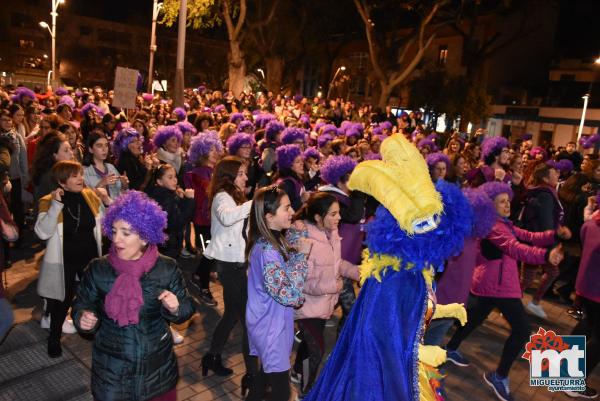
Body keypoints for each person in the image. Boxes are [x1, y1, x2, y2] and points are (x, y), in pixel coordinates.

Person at [445, 181, 568, 401]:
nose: (507, 205)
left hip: (495, 284)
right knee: (522, 330)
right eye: (501, 202)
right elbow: (515, 247)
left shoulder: (503, 223)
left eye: (507, 201)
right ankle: (499, 376)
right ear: (490, 206)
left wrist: (554, 235)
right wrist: (545, 256)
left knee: (474, 319)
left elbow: (528, 236)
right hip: (497, 285)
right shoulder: (493, 227)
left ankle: (450, 348)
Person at [71, 190, 194, 401]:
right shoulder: (98, 269)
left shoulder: (166, 267)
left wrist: (175, 308)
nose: (116, 239)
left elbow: (186, 308)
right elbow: (81, 304)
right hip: (112, 371)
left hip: (157, 370)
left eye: (126, 233)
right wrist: (83, 318)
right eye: (114, 230)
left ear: (145, 236)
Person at [290, 192, 360, 395]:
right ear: (319, 218)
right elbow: (301, 281)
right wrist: (332, 286)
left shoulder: (332, 234)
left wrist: (355, 271)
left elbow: (335, 265)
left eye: (338, 213)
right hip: (306, 306)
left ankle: (297, 372)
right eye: (333, 214)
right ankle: (306, 390)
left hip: (323, 305)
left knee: (309, 345)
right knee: (317, 350)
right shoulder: (304, 239)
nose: (339, 218)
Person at [245, 186, 310, 401]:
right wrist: (302, 257)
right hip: (270, 327)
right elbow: (290, 295)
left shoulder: (273, 240)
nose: (292, 212)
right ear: (269, 216)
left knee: (266, 375)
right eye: (287, 208)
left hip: (272, 322)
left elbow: (284, 276)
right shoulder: (267, 251)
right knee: (281, 390)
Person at [35, 161, 104, 357]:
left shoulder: (90, 195)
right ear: (61, 182)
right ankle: (54, 338)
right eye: (74, 176)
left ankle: (95, 331)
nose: (80, 179)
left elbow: (104, 224)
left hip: (90, 257)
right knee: (62, 300)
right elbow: (41, 232)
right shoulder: (48, 201)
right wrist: (56, 205)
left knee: (96, 297)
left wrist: (107, 201)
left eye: (80, 174)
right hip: (64, 260)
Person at [200, 156, 257, 391]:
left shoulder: (235, 196)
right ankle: (253, 378)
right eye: (241, 173)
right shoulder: (223, 197)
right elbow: (227, 217)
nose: (246, 177)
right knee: (249, 323)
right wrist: (256, 201)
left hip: (236, 263)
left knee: (232, 315)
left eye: (245, 173)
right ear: (229, 176)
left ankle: (212, 357)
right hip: (228, 266)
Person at [519, 163, 567, 318]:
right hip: (541, 243)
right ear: (546, 177)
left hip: (536, 241)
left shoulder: (541, 191)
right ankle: (531, 302)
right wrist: (552, 244)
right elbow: (546, 223)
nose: (558, 174)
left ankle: (515, 302)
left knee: (528, 276)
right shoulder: (545, 195)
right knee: (549, 272)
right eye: (554, 172)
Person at [185, 132, 222, 306]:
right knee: (209, 253)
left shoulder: (213, 171)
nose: (215, 152)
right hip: (202, 221)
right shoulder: (198, 173)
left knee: (211, 253)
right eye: (211, 149)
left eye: (216, 148)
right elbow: (210, 192)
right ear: (202, 152)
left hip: (213, 220)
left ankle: (198, 275)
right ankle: (203, 287)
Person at [568, 206, 600, 399]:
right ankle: (573, 381)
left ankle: (563, 370)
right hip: (597, 290)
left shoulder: (591, 222)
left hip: (586, 285)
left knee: (586, 325)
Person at [31, 131, 74, 203]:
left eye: (71, 149)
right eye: (66, 150)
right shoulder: (51, 178)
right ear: (55, 155)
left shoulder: (64, 171)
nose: (71, 153)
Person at [82, 131, 127, 201]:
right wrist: (101, 184)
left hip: (116, 208)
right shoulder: (85, 171)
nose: (104, 149)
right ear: (90, 149)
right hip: (99, 211)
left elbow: (121, 192)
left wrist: (124, 184)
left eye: (106, 145)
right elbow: (87, 200)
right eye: (99, 146)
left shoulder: (111, 167)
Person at [276, 144, 306, 211]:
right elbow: (283, 209)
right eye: (297, 162)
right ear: (288, 165)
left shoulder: (295, 179)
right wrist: (301, 199)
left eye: (301, 160)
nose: (302, 163)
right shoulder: (287, 183)